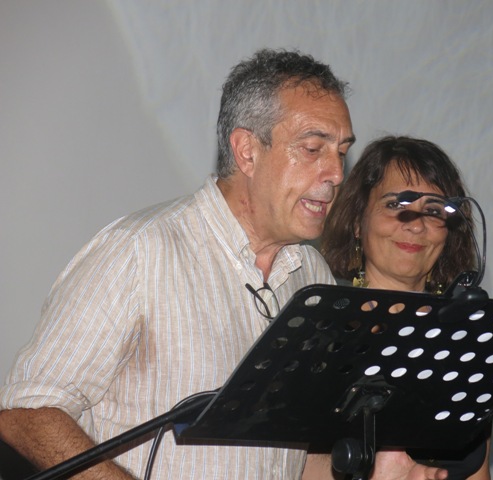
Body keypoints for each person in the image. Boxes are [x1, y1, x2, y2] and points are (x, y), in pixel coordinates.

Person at [0, 49, 446, 480]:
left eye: (341, 152)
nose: (335, 173)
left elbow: (289, 462)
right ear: (247, 151)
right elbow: (26, 413)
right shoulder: (140, 251)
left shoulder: (311, 274)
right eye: (313, 148)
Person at [321, 136, 492, 480]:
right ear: (357, 222)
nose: (416, 224)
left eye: (434, 210)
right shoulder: (325, 335)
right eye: (396, 204)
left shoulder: (466, 342)